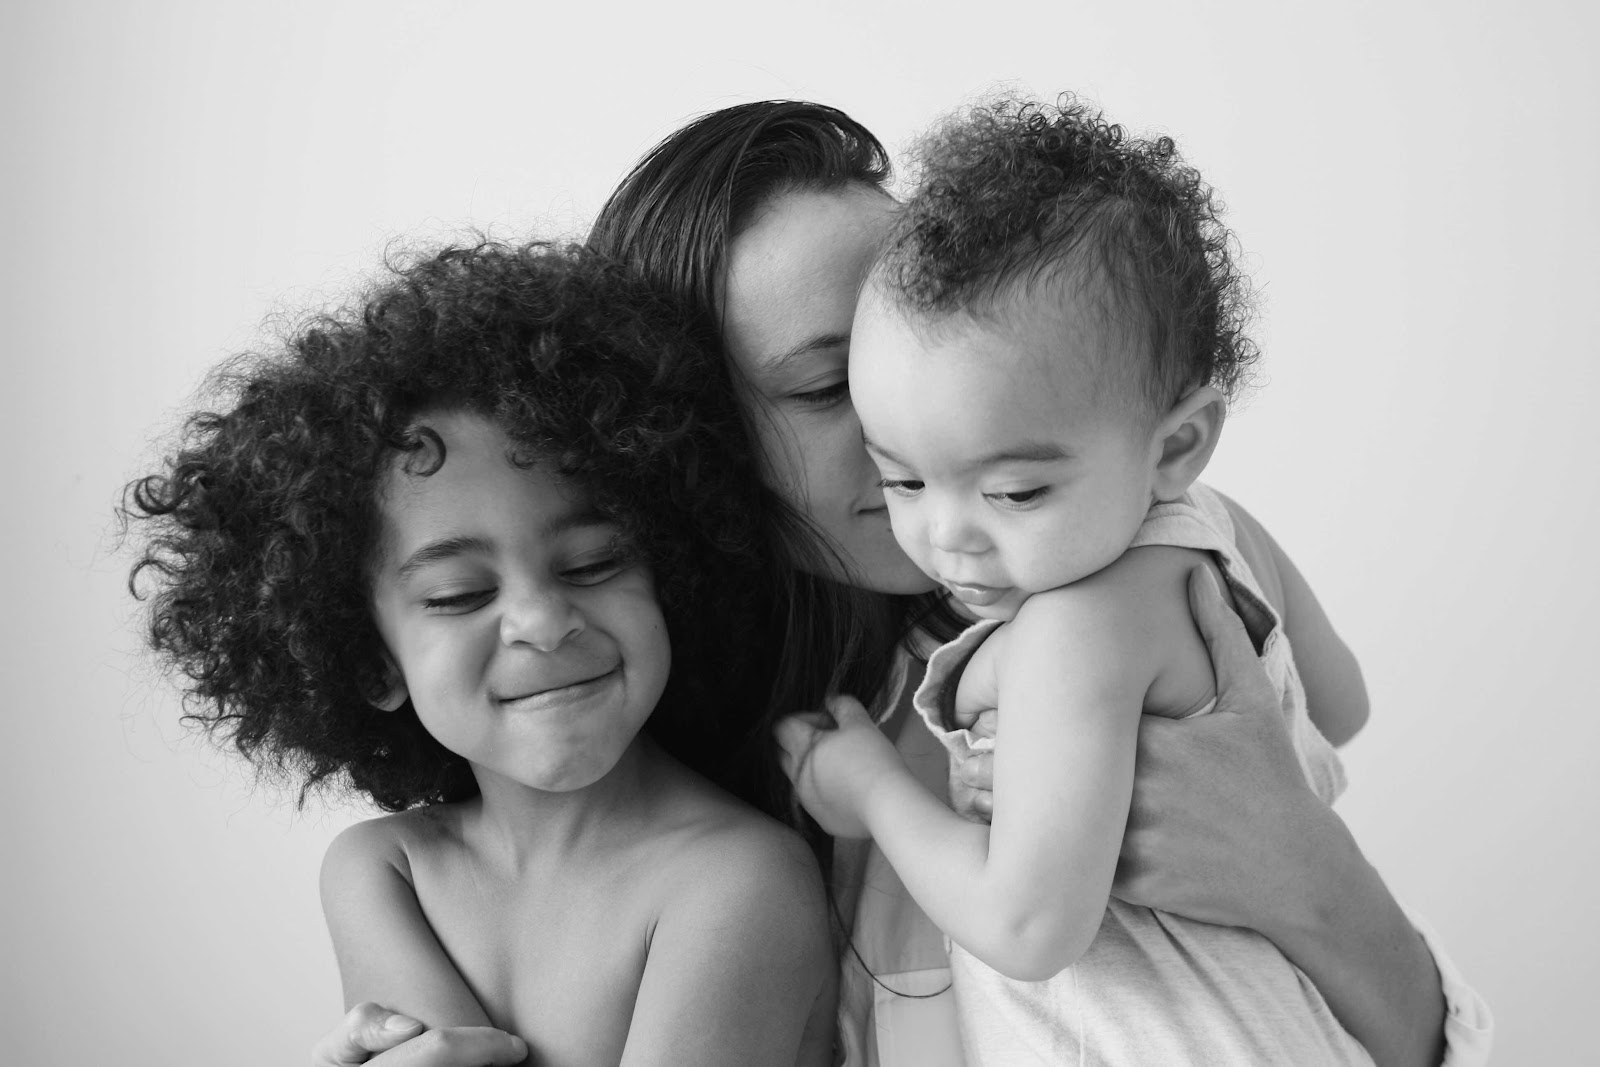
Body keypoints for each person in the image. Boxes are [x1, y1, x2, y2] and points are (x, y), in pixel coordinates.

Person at [311, 101, 1491, 1067]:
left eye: (930, 333)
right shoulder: (653, 762)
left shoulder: (1122, 594)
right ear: (692, 441)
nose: (925, 419)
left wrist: (1307, 870)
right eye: (834, 387)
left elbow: (1398, 1031)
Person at [777, 93, 1420, 1065]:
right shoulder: (1222, 528)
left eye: (1016, 491)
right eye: (902, 478)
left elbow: (1027, 924)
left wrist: (870, 788)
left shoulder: (1071, 626)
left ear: (1178, 444)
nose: (947, 537)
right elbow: (1343, 704)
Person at [125, 243, 837, 1066]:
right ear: (369, 663)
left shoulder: (740, 880)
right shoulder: (382, 870)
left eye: (593, 563)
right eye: (460, 594)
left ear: (670, 573)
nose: (543, 621)